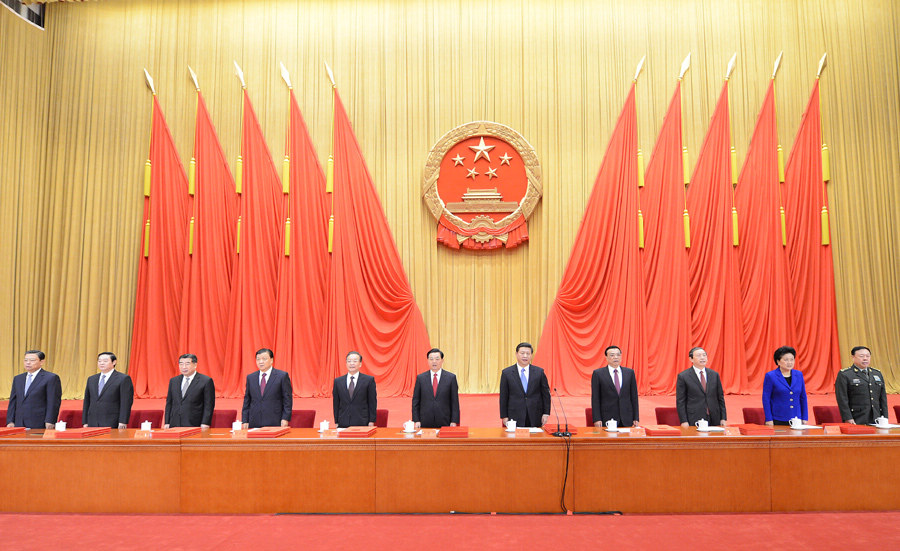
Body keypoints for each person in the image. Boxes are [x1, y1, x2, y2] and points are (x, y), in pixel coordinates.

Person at [499, 342, 551, 428]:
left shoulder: (539, 372)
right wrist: (504, 416)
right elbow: (504, 396)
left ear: (531, 355)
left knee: (534, 439)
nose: (525, 356)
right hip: (514, 415)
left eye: (528, 353)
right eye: (522, 353)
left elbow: (546, 395)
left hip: (535, 414)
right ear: (516, 354)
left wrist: (546, 413)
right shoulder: (507, 373)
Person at [6, 350, 62, 429]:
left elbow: (53, 402)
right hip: (19, 422)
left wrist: (50, 420)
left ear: (41, 362)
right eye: (26, 360)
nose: (28, 362)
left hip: (39, 422)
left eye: (32, 360)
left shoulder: (51, 378)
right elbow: (13, 401)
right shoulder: (18, 378)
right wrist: (10, 421)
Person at [835, 346, 888, 425]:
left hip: (877, 418)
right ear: (853, 357)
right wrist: (847, 418)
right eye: (861, 356)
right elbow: (842, 399)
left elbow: (883, 398)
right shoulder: (845, 374)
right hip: (857, 418)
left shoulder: (877, 373)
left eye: (867, 356)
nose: (865, 358)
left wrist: (885, 417)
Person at [241, 348, 292, 429]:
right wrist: (245, 420)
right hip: (254, 421)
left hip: (274, 421)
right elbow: (247, 401)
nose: (260, 362)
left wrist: (285, 418)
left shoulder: (282, 376)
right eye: (258, 359)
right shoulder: (251, 377)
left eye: (264, 359)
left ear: (271, 360)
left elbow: (287, 400)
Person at [675, 347, 727, 427]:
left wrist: (723, 417)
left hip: (715, 417)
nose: (702, 358)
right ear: (691, 359)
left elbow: (720, 398)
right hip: (694, 417)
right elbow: (680, 401)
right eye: (699, 355)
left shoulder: (714, 375)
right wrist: (683, 421)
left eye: (704, 355)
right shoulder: (683, 376)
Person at [83, 352, 134, 429]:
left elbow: (126, 402)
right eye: (99, 361)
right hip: (92, 421)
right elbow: (87, 401)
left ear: (114, 362)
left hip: (112, 420)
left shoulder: (123, 379)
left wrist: (123, 421)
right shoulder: (91, 379)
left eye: (105, 361)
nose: (101, 363)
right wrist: (85, 421)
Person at [591, 345, 639, 427]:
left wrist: (636, 417)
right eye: (612, 355)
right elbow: (595, 398)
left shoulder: (629, 373)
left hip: (627, 417)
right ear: (606, 357)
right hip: (607, 418)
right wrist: (597, 418)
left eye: (618, 355)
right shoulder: (598, 374)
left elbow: (634, 397)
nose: (615, 357)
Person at [164, 353, 216, 429]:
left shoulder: (205, 381)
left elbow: (209, 405)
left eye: (187, 364)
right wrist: (167, 422)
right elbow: (169, 403)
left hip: (194, 423)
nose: (183, 367)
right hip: (175, 424)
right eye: (181, 364)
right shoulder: (174, 381)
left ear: (195, 365)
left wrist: (205, 423)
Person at [412, 348, 460, 429]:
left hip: (445, 421)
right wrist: (416, 420)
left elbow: (455, 402)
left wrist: (454, 421)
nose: (434, 361)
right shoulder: (421, 378)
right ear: (427, 361)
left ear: (442, 360)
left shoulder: (451, 378)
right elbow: (416, 401)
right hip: (425, 421)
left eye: (437, 359)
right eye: (431, 359)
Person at [762, 346, 808, 426]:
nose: (789, 362)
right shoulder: (771, 376)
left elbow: (803, 397)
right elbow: (766, 399)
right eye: (786, 360)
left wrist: (805, 417)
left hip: (796, 418)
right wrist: (769, 419)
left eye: (792, 359)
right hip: (778, 418)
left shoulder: (799, 375)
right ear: (778, 362)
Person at [332, 351, 377, 428]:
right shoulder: (338, 381)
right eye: (349, 361)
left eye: (355, 361)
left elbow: (372, 402)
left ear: (360, 364)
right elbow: (336, 403)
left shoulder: (368, 380)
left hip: (362, 421)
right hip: (343, 422)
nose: (351, 363)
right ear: (346, 364)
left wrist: (371, 421)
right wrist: (336, 421)